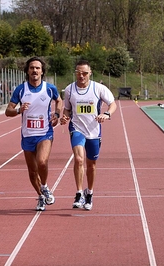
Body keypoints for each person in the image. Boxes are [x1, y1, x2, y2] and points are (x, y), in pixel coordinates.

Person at [5, 56, 62, 211]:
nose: (34, 70)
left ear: (42, 71)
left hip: (44, 132)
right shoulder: (21, 89)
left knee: (42, 162)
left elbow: (59, 101)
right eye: (31, 68)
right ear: (27, 71)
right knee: (32, 170)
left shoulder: (50, 88)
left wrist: (56, 115)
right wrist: (19, 110)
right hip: (28, 134)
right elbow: (7, 111)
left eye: (37, 68)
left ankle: (44, 186)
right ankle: (41, 196)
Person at [60, 60, 117, 211]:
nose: (81, 76)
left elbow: (113, 104)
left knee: (91, 165)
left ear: (90, 73)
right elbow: (66, 109)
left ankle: (89, 193)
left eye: (84, 73)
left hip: (94, 131)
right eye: (78, 72)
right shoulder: (69, 90)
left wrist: (106, 114)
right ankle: (79, 193)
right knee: (79, 159)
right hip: (77, 129)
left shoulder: (98, 88)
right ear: (75, 73)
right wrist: (65, 117)